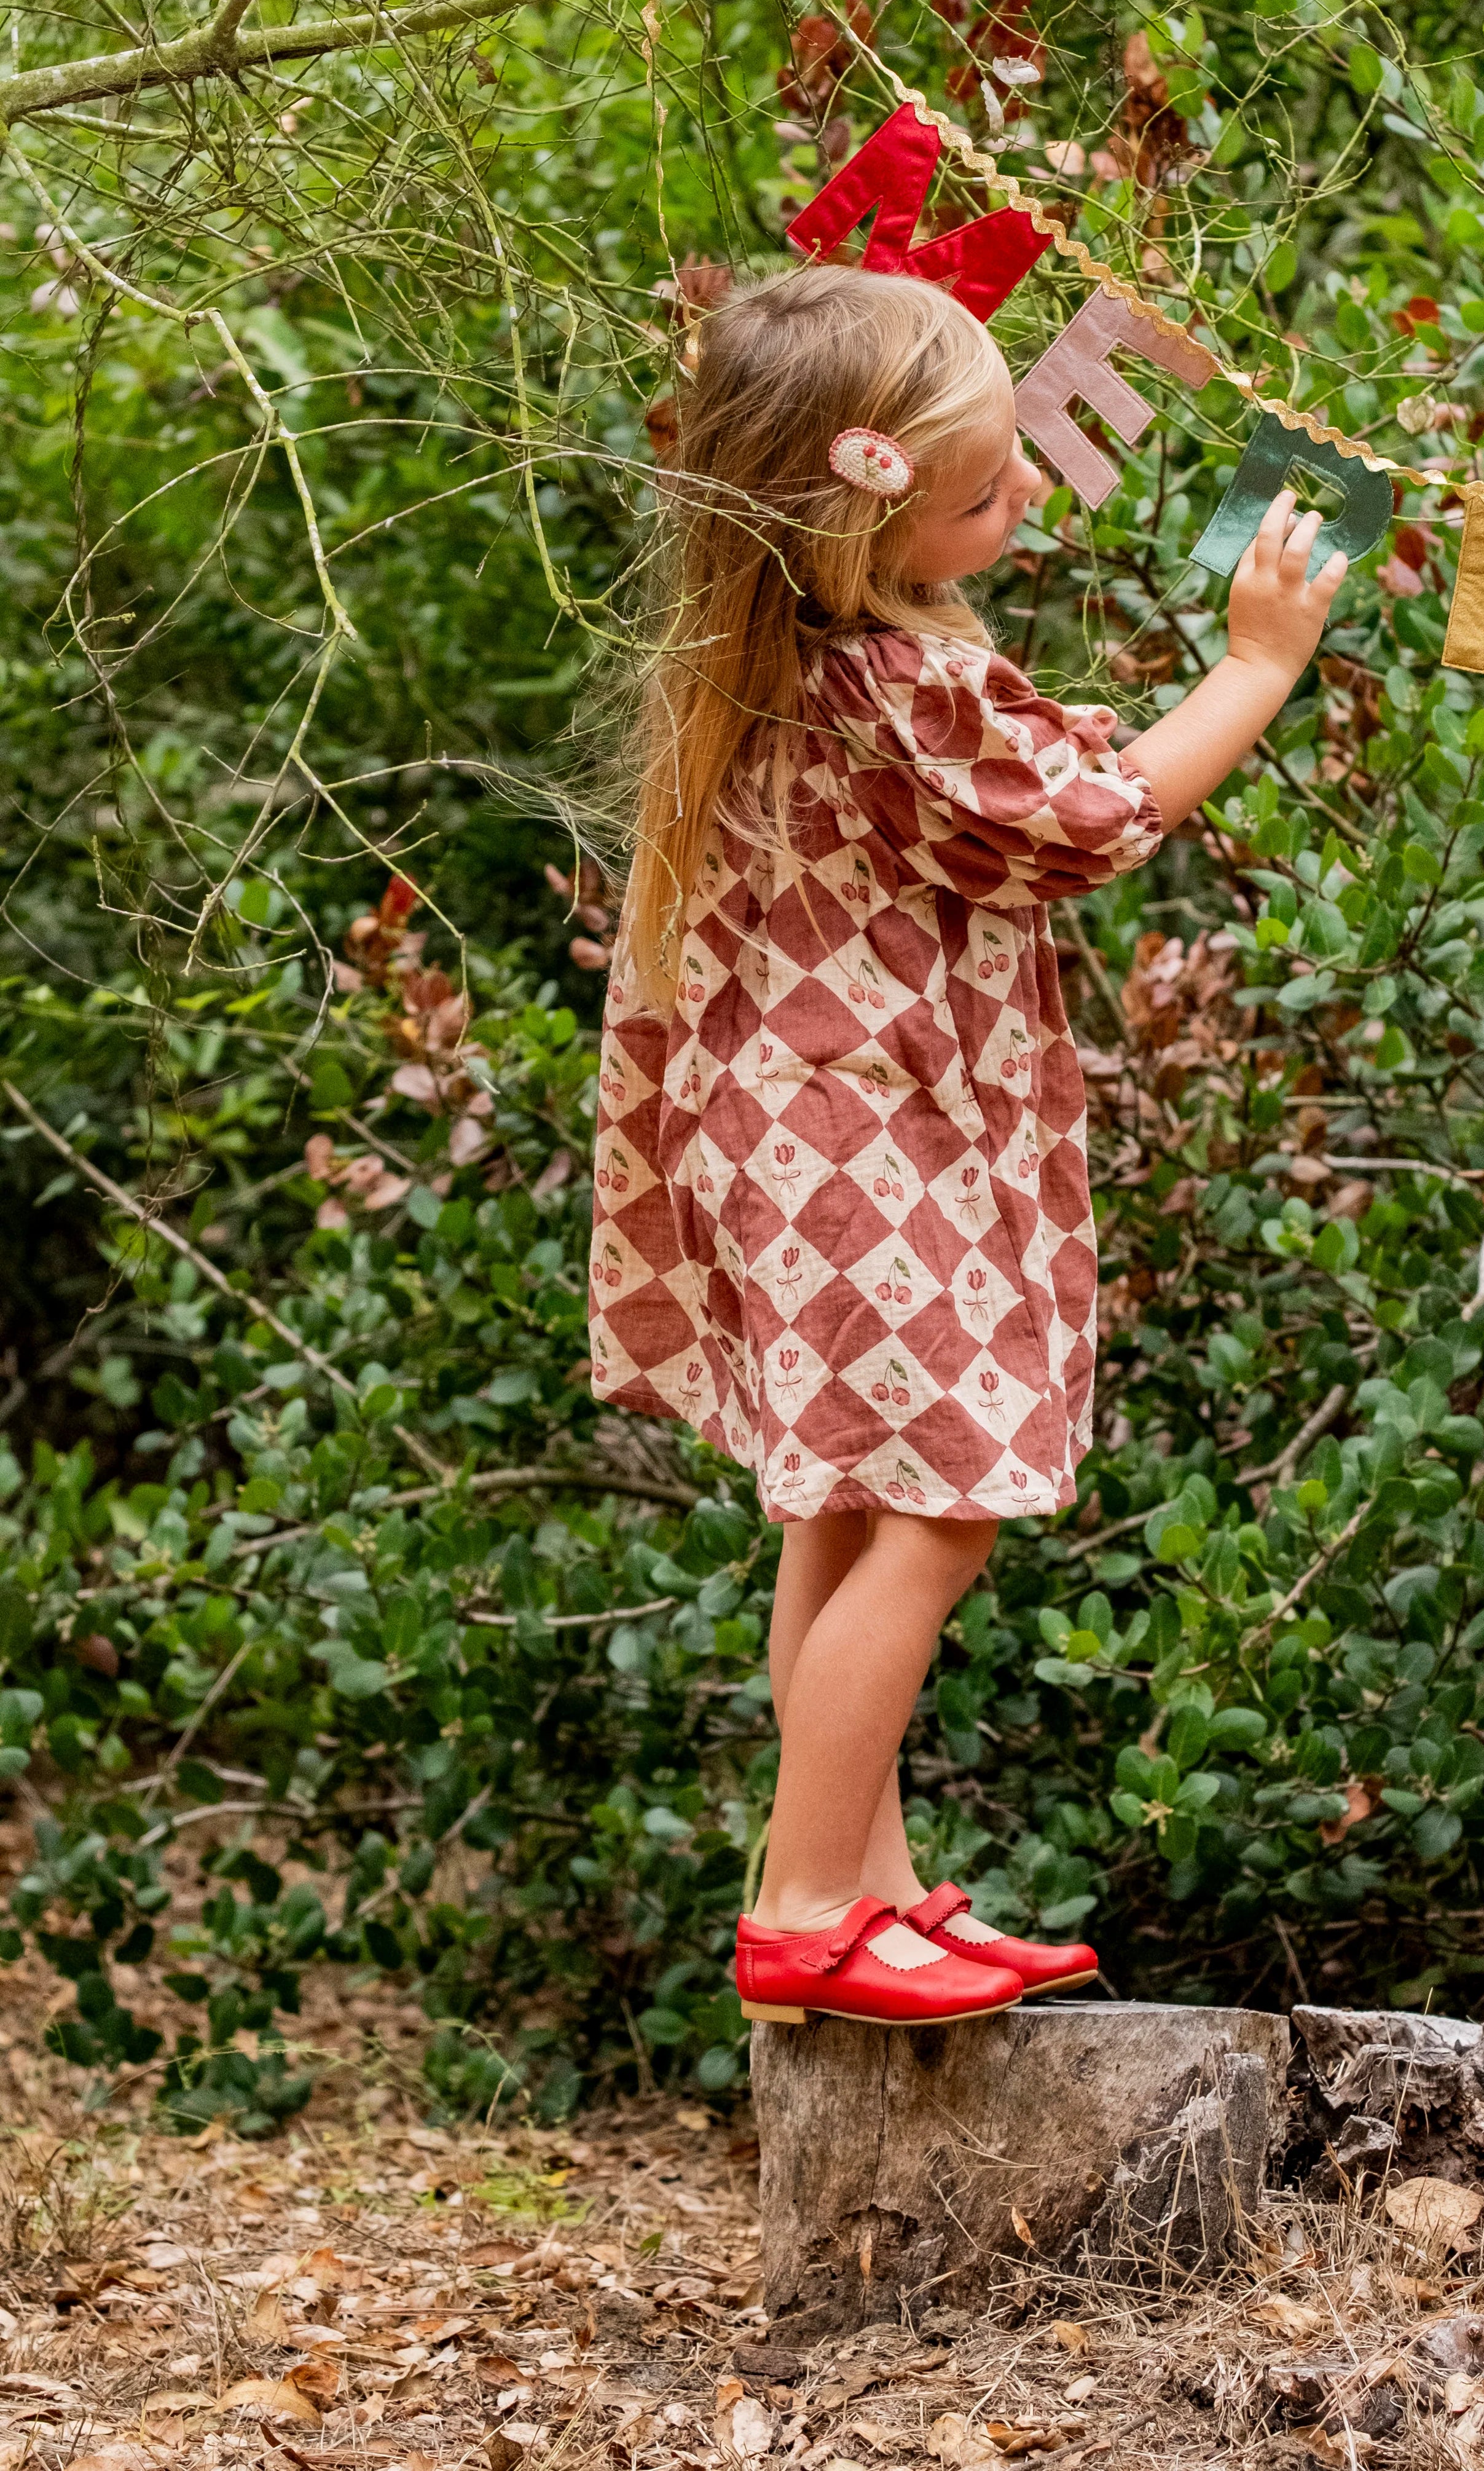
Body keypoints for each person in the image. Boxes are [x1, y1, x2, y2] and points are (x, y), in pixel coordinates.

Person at [589, 262, 1345, 2028]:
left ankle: (855, 1889)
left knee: (850, 1500)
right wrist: (1258, 664)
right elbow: (1094, 819)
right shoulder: (884, 681)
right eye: (988, 490)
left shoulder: (799, 651)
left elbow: (1013, 776)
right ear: (863, 516)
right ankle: (798, 1905)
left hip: (802, 1139)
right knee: (940, 1505)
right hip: (858, 1144)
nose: (1023, 505)